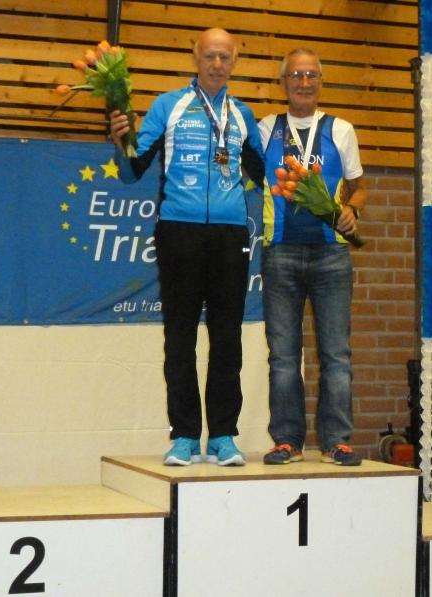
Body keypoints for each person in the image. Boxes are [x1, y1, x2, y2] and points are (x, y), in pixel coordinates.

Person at [109, 28, 264, 467]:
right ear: (195, 56)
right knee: (180, 336)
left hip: (230, 235)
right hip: (179, 231)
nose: (217, 64)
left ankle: (223, 436)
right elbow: (132, 171)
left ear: (235, 61)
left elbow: (263, 173)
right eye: (210, 55)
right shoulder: (168, 106)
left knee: (227, 337)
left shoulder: (242, 114)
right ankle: (184, 435)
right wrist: (121, 141)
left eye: (225, 57)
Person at [259, 48, 367, 466]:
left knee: (336, 355)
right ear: (283, 82)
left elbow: (359, 187)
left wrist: (352, 210)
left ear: (321, 82)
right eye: (296, 75)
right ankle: (287, 440)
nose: (304, 82)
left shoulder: (341, 129)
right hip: (280, 253)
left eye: (311, 75)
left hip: (331, 256)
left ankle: (336, 441)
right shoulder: (266, 129)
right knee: (284, 357)